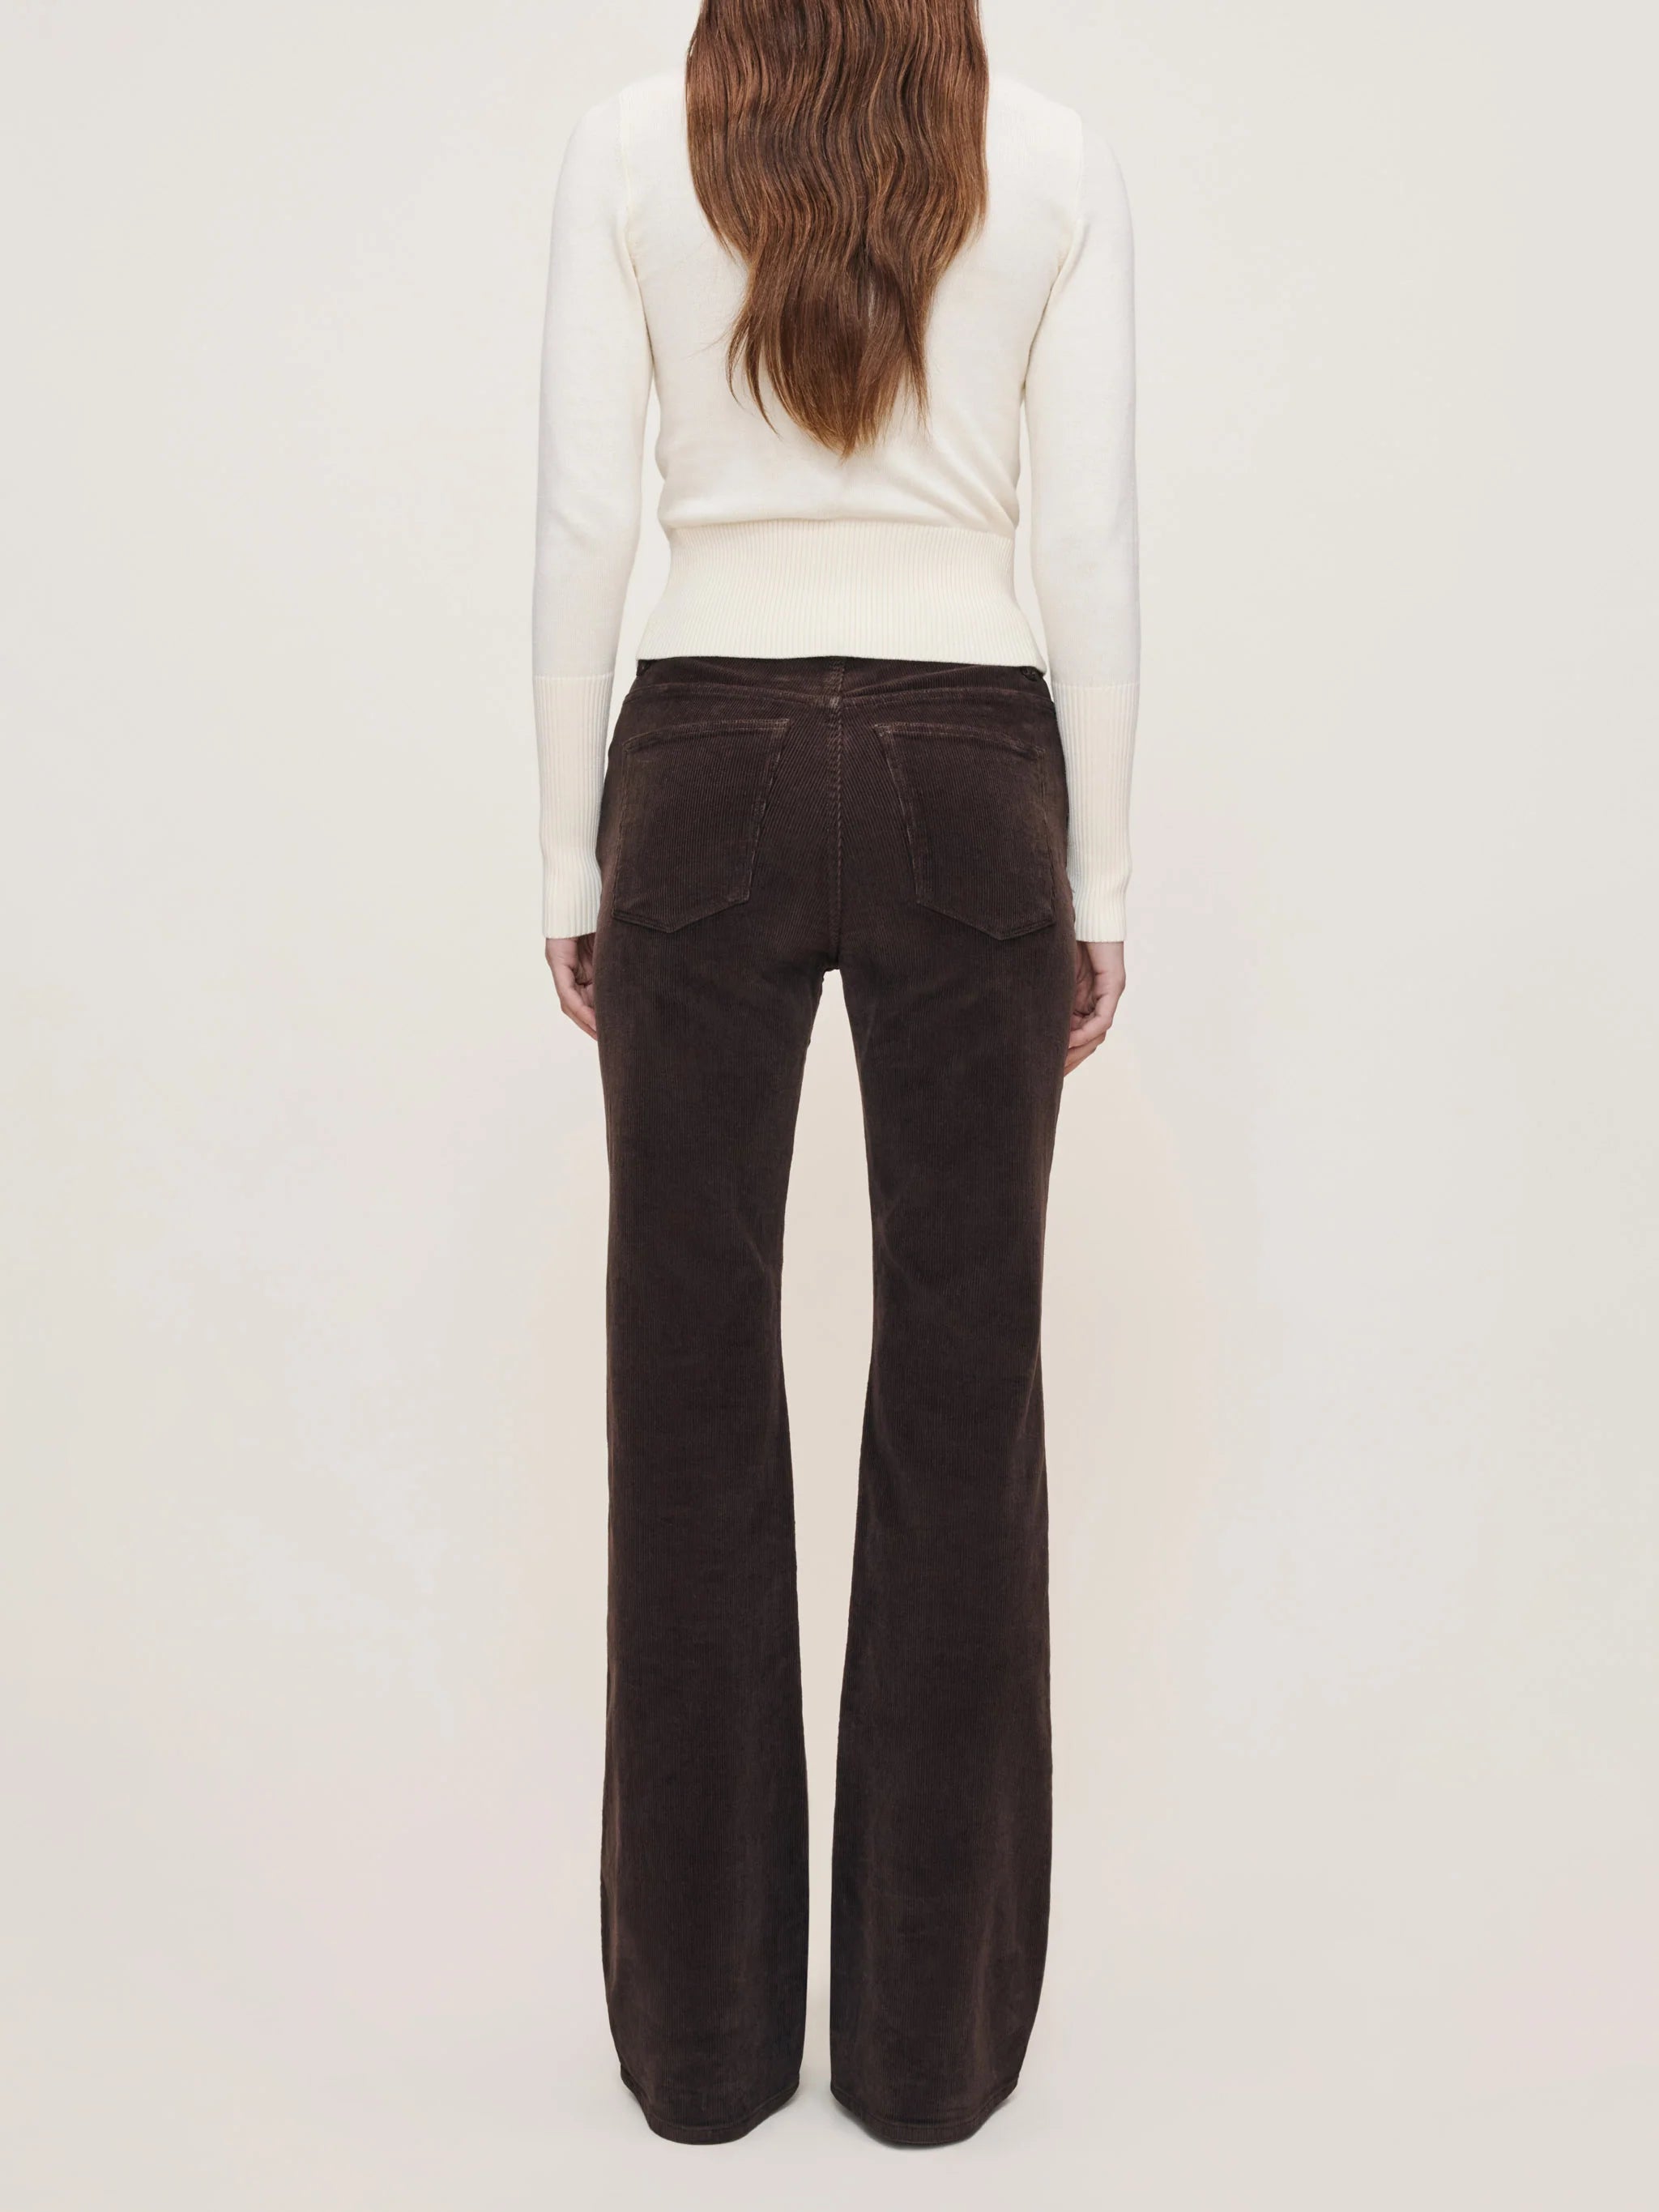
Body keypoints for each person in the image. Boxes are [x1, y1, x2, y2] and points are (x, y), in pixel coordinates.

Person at [531, 0, 1138, 2150]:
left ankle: (703, 2059)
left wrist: (566, 855)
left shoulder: (628, 144)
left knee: (684, 1388)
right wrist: (1102, 874)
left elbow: (582, 521)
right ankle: (927, 2057)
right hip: (976, 774)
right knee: (964, 1401)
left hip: (698, 764)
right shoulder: (1051, 156)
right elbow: (1087, 546)